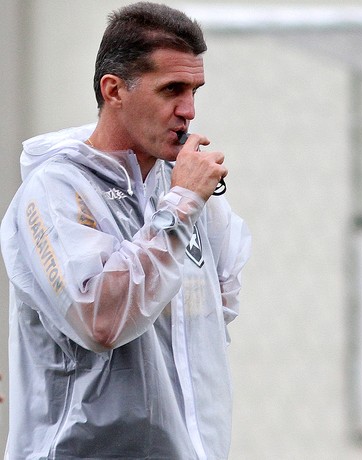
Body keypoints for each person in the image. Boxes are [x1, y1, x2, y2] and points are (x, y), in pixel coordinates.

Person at [0, 2, 251, 458]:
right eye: (172, 89)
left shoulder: (185, 187)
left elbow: (215, 312)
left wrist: (183, 204)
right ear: (114, 90)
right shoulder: (57, 189)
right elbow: (101, 318)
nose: (189, 110)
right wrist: (179, 209)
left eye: (195, 89)